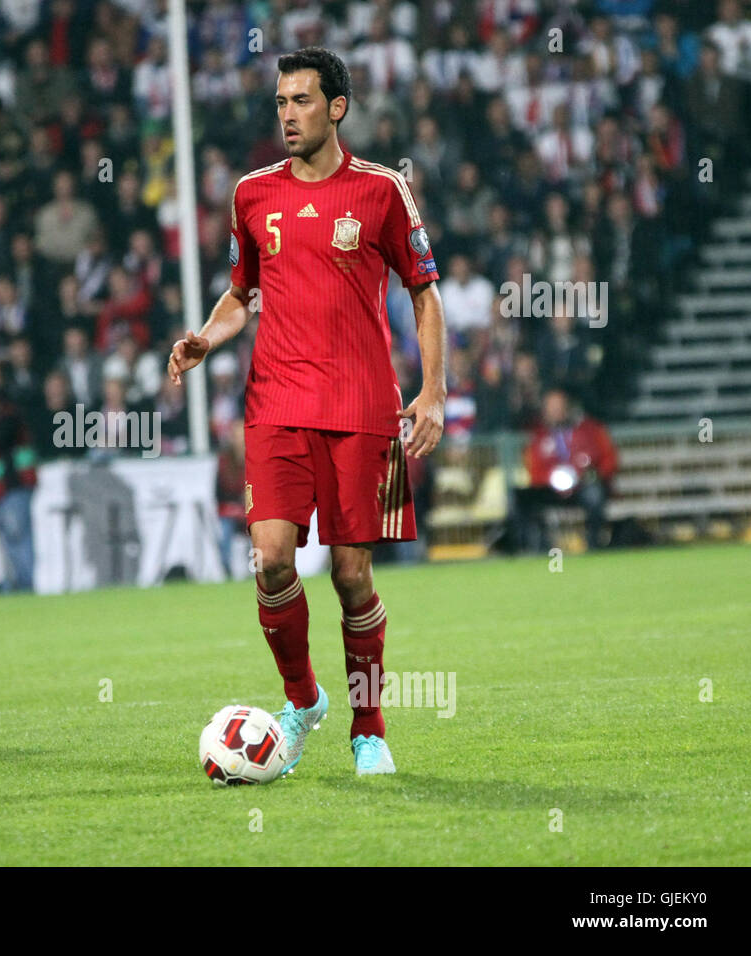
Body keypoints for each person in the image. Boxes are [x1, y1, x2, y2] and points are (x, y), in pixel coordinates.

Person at [169, 47, 446, 777]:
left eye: (301, 101)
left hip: (363, 408)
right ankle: (303, 698)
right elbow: (241, 291)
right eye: (281, 102)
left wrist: (433, 391)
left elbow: (425, 293)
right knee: (269, 560)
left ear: (337, 107)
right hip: (277, 403)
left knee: (352, 575)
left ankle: (370, 728)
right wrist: (206, 336)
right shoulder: (253, 195)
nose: (287, 114)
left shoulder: (383, 191)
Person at [514, 388, 618, 552]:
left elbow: (608, 459)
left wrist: (591, 474)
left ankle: (593, 544)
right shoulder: (537, 434)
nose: (556, 412)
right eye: (552, 408)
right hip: (549, 486)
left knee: (594, 495)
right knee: (521, 497)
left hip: (581, 486)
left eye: (559, 407)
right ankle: (536, 547)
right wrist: (549, 477)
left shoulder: (589, 430)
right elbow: (532, 465)